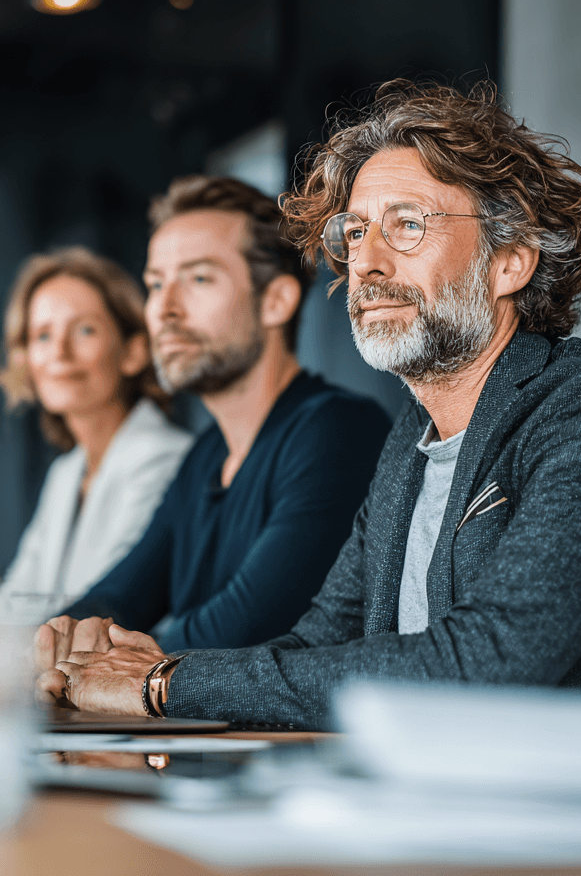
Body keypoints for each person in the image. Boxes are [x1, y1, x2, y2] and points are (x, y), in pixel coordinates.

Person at [35, 81, 581, 729]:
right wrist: (148, 673)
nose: (365, 262)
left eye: (407, 225)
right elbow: (314, 645)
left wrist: (164, 684)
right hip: (438, 813)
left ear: (510, 260)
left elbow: (489, 660)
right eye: (355, 232)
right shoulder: (411, 442)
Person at [35, 176, 391, 654]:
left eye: (199, 278)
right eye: (156, 284)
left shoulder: (338, 433)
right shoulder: (205, 457)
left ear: (276, 301)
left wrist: (102, 657)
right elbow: (116, 599)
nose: (165, 309)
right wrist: (51, 644)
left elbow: (242, 634)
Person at [0, 247, 193, 621]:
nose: (60, 354)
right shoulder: (67, 473)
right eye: (43, 335)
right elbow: (14, 600)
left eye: (84, 330)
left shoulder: (166, 460)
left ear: (133, 352)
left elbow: (99, 610)